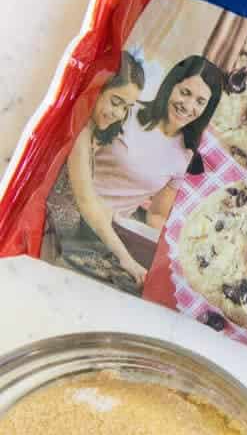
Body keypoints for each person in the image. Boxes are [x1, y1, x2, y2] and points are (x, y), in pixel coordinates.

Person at [51, 54, 223, 289]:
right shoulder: (125, 112)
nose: (189, 106)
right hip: (71, 215)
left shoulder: (184, 156)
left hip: (109, 237)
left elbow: (157, 215)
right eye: (185, 93)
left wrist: (178, 253)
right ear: (170, 85)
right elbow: (80, 167)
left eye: (200, 102)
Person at [46, 52, 147, 283]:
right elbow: (85, 201)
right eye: (115, 101)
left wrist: (112, 214)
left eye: (126, 108)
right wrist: (126, 258)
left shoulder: (90, 131)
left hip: (65, 238)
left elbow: (78, 192)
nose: (118, 114)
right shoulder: (80, 134)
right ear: (97, 87)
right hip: (49, 240)